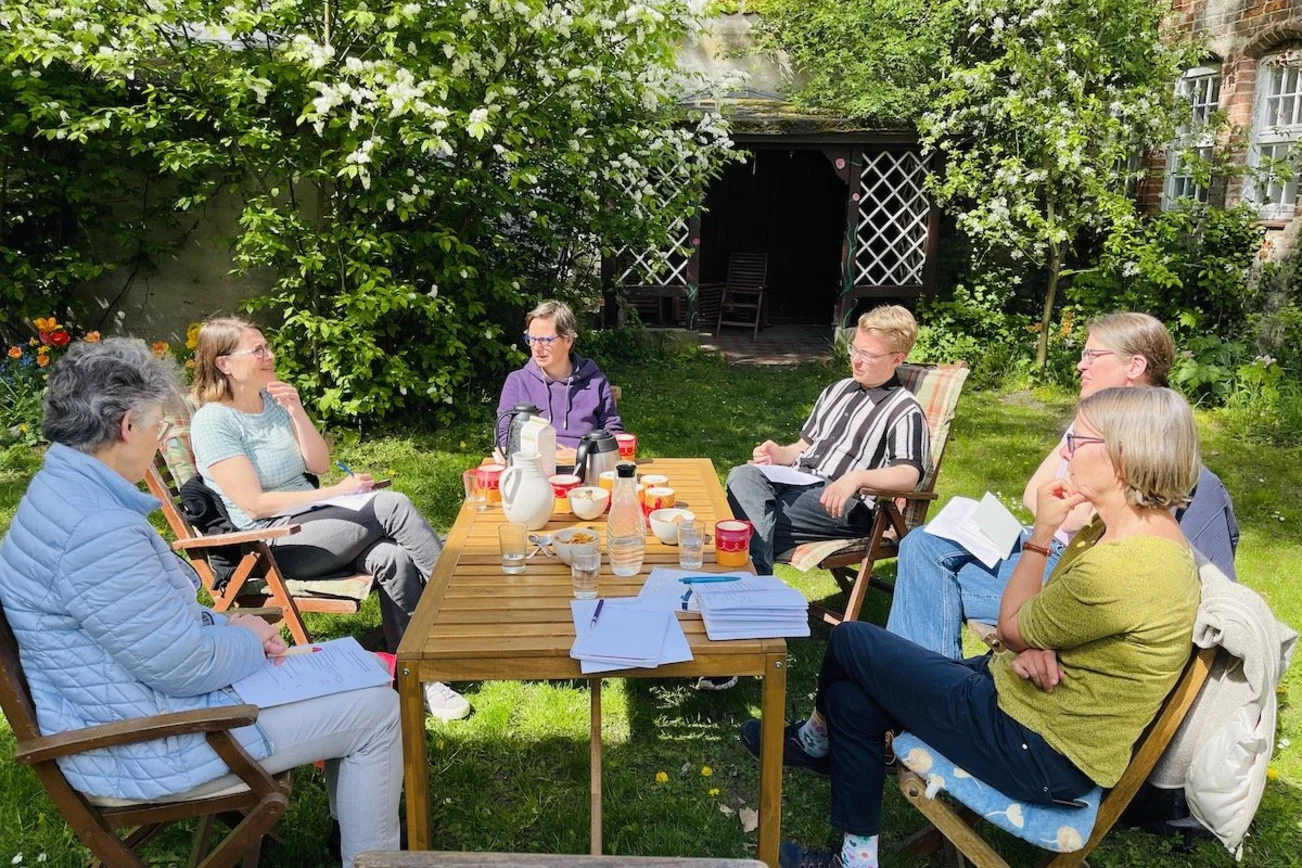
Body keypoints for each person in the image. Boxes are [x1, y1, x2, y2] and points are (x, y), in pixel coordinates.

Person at [741, 386, 1203, 868]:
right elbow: (1031, 624)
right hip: (1024, 706)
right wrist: (1026, 643)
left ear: (1123, 460)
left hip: (1039, 750)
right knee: (848, 700)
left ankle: (815, 741)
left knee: (852, 639)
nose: (1064, 452)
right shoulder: (1118, 538)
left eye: (1077, 442)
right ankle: (856, 857)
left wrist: (1041, 536)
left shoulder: (1127, 566)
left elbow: (1014, 622)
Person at [0, 339, 401, 868]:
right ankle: (372, 859)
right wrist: (247, 636)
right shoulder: (96, 530)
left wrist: (224, 622)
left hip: (126, 711)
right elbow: (182, 665)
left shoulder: (60, 495)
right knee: (377, 708)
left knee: (355, 676)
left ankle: (350, 830)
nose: (159, 435)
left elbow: (136, 623)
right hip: (144, 747)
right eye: (158, 426)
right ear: (126, 428)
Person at [887, 312, 1239, 660]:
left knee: (927, 566)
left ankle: (920, 684)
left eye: (1092, 355)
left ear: (1134, 365)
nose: (1080, 365)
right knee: (925, 542)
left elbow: (1077, 521)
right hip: (1043, 541)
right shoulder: (1092, 418)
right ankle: (923, 683)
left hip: (1073, 571)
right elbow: (1034, 493)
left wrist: (1052, 518)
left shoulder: (1146, 436)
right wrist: (1053, 514)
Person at [188, 316, 469, 721]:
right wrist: (337, 493)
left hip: (318, 522)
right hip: (274, 542)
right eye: (258, 350)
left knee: (393, 557)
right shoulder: (214, 421)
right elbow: (254, 504)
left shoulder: (273, 403)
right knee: (391, 505)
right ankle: (459, 606)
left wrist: (296, 410)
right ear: (225, 364)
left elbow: (317, 462)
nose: (269, 355)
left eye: (267, 346)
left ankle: (421, 678)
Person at [726, 305, 929, 577]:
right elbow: (803, 447)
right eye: (854, 349)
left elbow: (908, 475)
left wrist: (857, 478)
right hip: (798, 483)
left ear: (897, 359)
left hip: (842, 503)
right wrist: (779, 454)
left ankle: (754, 586)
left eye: (867, 355)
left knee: (737, 522)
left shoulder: (904, 409)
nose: (856, 360)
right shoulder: (837, 390)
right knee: (743, 476)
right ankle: (759, 584)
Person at [495, 300, 623, 453]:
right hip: (532, 466)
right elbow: (503, 435)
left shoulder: (595, 382)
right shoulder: (518, 381)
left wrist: (584, 455)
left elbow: (613, 432)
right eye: (532, 340)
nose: (536, 348)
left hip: (584, 465)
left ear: (568, 340)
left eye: (545, 340)